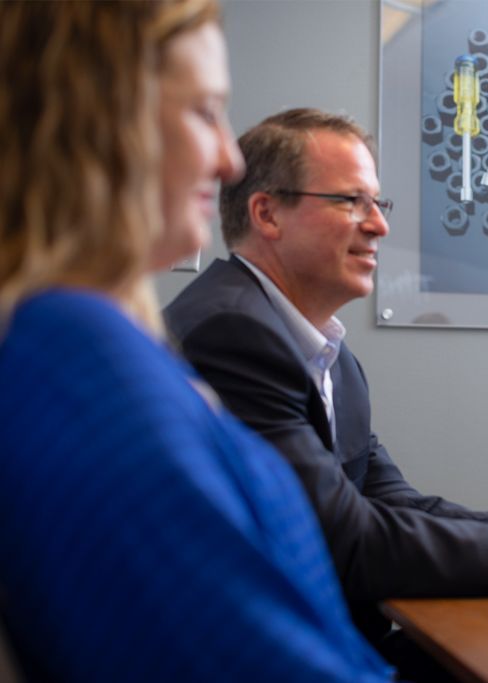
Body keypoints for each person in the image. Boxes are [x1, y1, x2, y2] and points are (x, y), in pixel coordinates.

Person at [163, 109, 488, 638]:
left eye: (377, 203)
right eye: (350, 201)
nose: (379, 225)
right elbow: (342, 541)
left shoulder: (331, 357)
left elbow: (400, 505)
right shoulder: (231, 334)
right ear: (267, 214)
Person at [0, 2, 395, 680]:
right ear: (101, 122)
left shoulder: (97, 343)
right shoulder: (82, 362)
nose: (229, 158)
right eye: (204, 112)